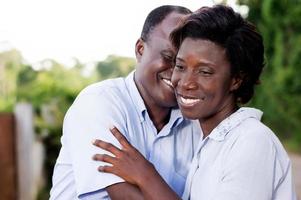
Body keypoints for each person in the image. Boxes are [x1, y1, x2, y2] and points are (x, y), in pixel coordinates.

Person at [92, 5, 297, 200]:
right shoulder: (208, 142)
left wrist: (146, 175)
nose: (186, 83)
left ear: (236, 79)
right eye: (180, 66)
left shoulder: (250, 141)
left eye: (204, 72)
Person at [50, 5, 201, 199]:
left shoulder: (195, 122)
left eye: (184, 65)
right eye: (168, 58)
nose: (177, 75)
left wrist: (145, 174)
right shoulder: (99, 103)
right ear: (140, 49)